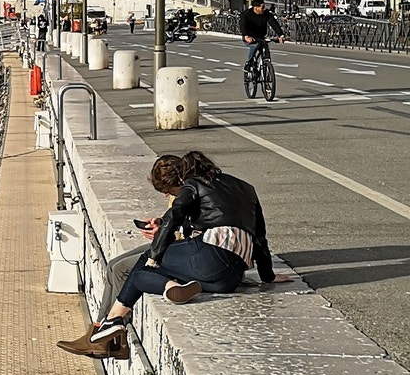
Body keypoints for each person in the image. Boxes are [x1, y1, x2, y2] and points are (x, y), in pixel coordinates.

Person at [59, 150, 275, 357]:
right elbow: (259, 237)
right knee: (123, 266)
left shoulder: (193, 185)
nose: (166, 195)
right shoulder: (245, 187)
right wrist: (268, 277)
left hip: (208, 254)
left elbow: (178, 220)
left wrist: (155, 253)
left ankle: (107, 330)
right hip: (230, 276)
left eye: (167, 190)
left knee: (142, 264)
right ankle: (109, 329)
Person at [239, 0, 284, 77]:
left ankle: (267, 65)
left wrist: (280, 35)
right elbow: (243, 25)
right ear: (256, 8)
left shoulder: (266, 13)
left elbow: (273, 23)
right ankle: (249, 63)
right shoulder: (246, 14)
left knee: (265, 46)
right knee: (255, 45)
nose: (264, 9)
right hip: (250, 36)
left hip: (261, 36)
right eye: (262, 7)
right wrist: (246, 35)